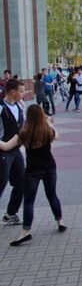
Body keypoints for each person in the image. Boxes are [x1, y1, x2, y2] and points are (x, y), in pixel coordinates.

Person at [1, 105, 66, 246]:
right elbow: (57, 135)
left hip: (32, 170)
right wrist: (49, 122)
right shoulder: (47, 130)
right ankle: (60, 221)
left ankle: (26, 232)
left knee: (29, 201)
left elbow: (6, 146)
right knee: (52, 195)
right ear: (42, 115)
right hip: (49, 167)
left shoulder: (23, 132)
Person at [0, 79, 25, 225]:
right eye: (21, 91)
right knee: (1, 183)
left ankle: (10, 214)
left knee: (21, 181)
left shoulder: (19, 106)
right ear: (13, 92)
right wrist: (3, 145)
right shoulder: (1, 108)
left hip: (15, 151)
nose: (23, 94)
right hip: (3, 152)